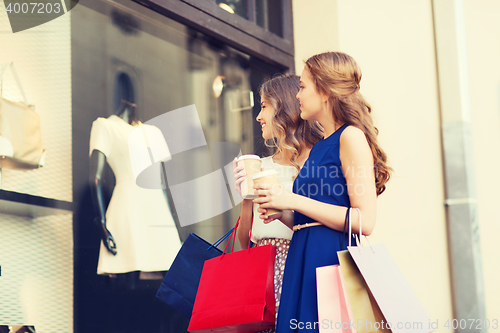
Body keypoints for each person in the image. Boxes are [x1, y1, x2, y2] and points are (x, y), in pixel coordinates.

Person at [253, 52, 392, 332]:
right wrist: (282, 212)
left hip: (329, 261)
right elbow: (309, 219)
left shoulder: (350, 137)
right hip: (302, 260)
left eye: (303, 87)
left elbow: (365, 222)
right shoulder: (320, 147)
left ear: (325, 91)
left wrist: (292, 199)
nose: (298, 96)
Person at [233, 74, 323, 332]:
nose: (259, 117)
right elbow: (245, 242)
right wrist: (246, 199)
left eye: (264, 106)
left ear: (284, 107)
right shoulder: (262, 167)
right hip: (261, 273)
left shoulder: (315, 164)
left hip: (299, 266)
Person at [89, 100, 182, 277]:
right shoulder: (106, 126)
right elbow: (95, 178)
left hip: (158, 211)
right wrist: (102, 226)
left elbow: (162, 185)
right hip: (127, 207)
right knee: (129, 273)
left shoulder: (154, 133)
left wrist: (174, 228)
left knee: (168, 282)